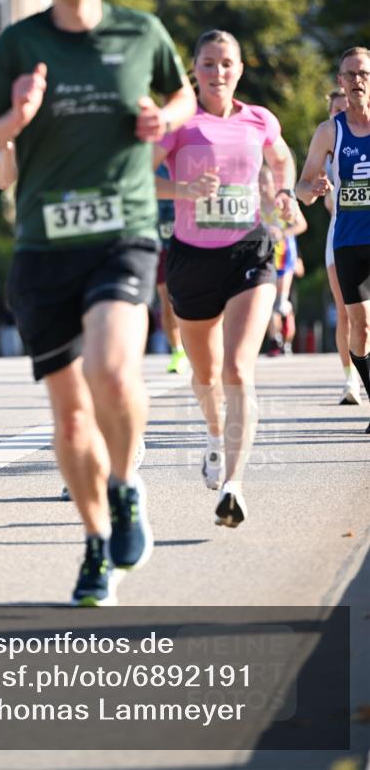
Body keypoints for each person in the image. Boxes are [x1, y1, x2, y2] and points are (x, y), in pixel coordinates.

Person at [0, 0, 196, 605]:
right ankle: (97, 542)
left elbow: (181, 94)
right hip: (42, 249)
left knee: (112, 369)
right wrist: (17, 118)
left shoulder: (140, 32)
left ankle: (125, 490)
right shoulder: (16, 45)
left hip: (121, 233)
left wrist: (168, 118)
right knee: (68, 420)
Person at [153, 30, 298, 527]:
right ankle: (215, 436)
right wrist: (183, 189)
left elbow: (281, 159)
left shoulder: (260, 119)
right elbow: (137, 176)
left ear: (239, 69)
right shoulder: (179, 122)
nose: (219, 73)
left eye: (227, 64)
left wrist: (284, 194)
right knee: (206, 376)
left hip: (249, 253)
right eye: (209, 64)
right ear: (194, 69)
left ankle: (234, 486)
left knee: (238, 368)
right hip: (191, 261)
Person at [297, 46, 370, 432]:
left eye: (364, 73)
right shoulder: (330, 131)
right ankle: (362, 383)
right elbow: (302, 187)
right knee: (360, 326)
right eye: (350, 75)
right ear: (340, 81)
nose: (357, 81)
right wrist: (313, 187)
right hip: (347, 239)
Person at [323, 88, 361, 403]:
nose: (341, 113)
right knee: (346, 313)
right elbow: (322, 199)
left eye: (343, 108)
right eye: (335, 109)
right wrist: (327, 189)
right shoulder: (327, 146)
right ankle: (351, 381)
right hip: (340, 236)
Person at [260, 165, 308, 356]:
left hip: (285, 257)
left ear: (274, 183)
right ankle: (275, 340)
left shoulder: (283, 202)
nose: (262, 188)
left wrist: (281, 233)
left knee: (279, 302)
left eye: (266, 183)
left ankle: (286, 328)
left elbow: (302, 225)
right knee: (268, 302)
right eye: (259, 183)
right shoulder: (255, 206)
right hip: (265, 258)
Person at [155, 164, 189, 374]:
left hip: (189, 234)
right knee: (166, 299)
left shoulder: (188, 150)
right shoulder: (149, 155)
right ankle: (178, 352)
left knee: (195, 295)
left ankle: (200, 346)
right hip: (159, 236)